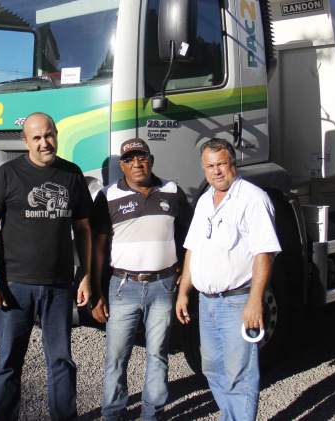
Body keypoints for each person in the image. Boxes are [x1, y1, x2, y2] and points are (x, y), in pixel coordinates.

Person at [0, 112, 93, 421]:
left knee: (61, 361)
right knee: (9, 363)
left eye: (49, 134)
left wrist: (85, 275)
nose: (45, 142)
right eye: (37, 137)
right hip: (16, 287)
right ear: (25, 141)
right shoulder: (7, 175)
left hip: (59, 287)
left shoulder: (72, 174)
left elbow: (83, 229)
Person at [175, 138, 281, 421]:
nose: (216, 171)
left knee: (239, 374)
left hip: (236, 303)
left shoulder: (253, 199)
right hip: (206, 304)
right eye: (210, 166)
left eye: (221, 163)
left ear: (233, 163)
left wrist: (255, 302)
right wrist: (184, 291)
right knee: (212, 369)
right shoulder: (204, 201)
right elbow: (192, 249)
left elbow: (264, 254)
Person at [90, 138, 192, 421]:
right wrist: (97, 291)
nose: (137, 164)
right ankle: (113, 414)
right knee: (116, 358)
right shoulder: (107, 197)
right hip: (123, 287)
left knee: (158, 354)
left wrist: (184, 267)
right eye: (130, 159)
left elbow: (189, 236)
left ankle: (152, 414)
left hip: (163, 286)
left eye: (142, 157)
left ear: (151, 160)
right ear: (122, 165)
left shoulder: (172, 191)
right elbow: (97, 248)